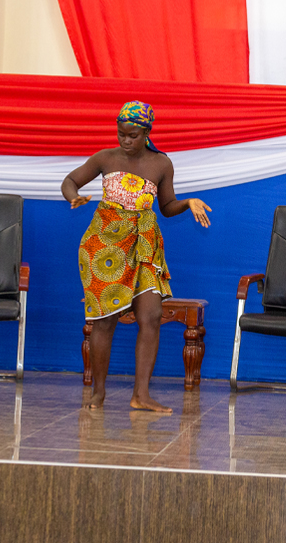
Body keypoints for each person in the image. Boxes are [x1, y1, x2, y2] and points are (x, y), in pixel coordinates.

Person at [61, 101, 211, 413]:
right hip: (104, 246)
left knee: (152, 315)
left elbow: (167, 207)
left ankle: (140, 395)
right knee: (104, 323)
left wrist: (188, 203)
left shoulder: (162, 164)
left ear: (146, 133)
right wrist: (74, 197)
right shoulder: (106, 157)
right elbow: (70, 181)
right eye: (121, 134)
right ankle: (98, 394)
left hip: (144, 245)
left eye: (131, 135)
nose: (125, 141)